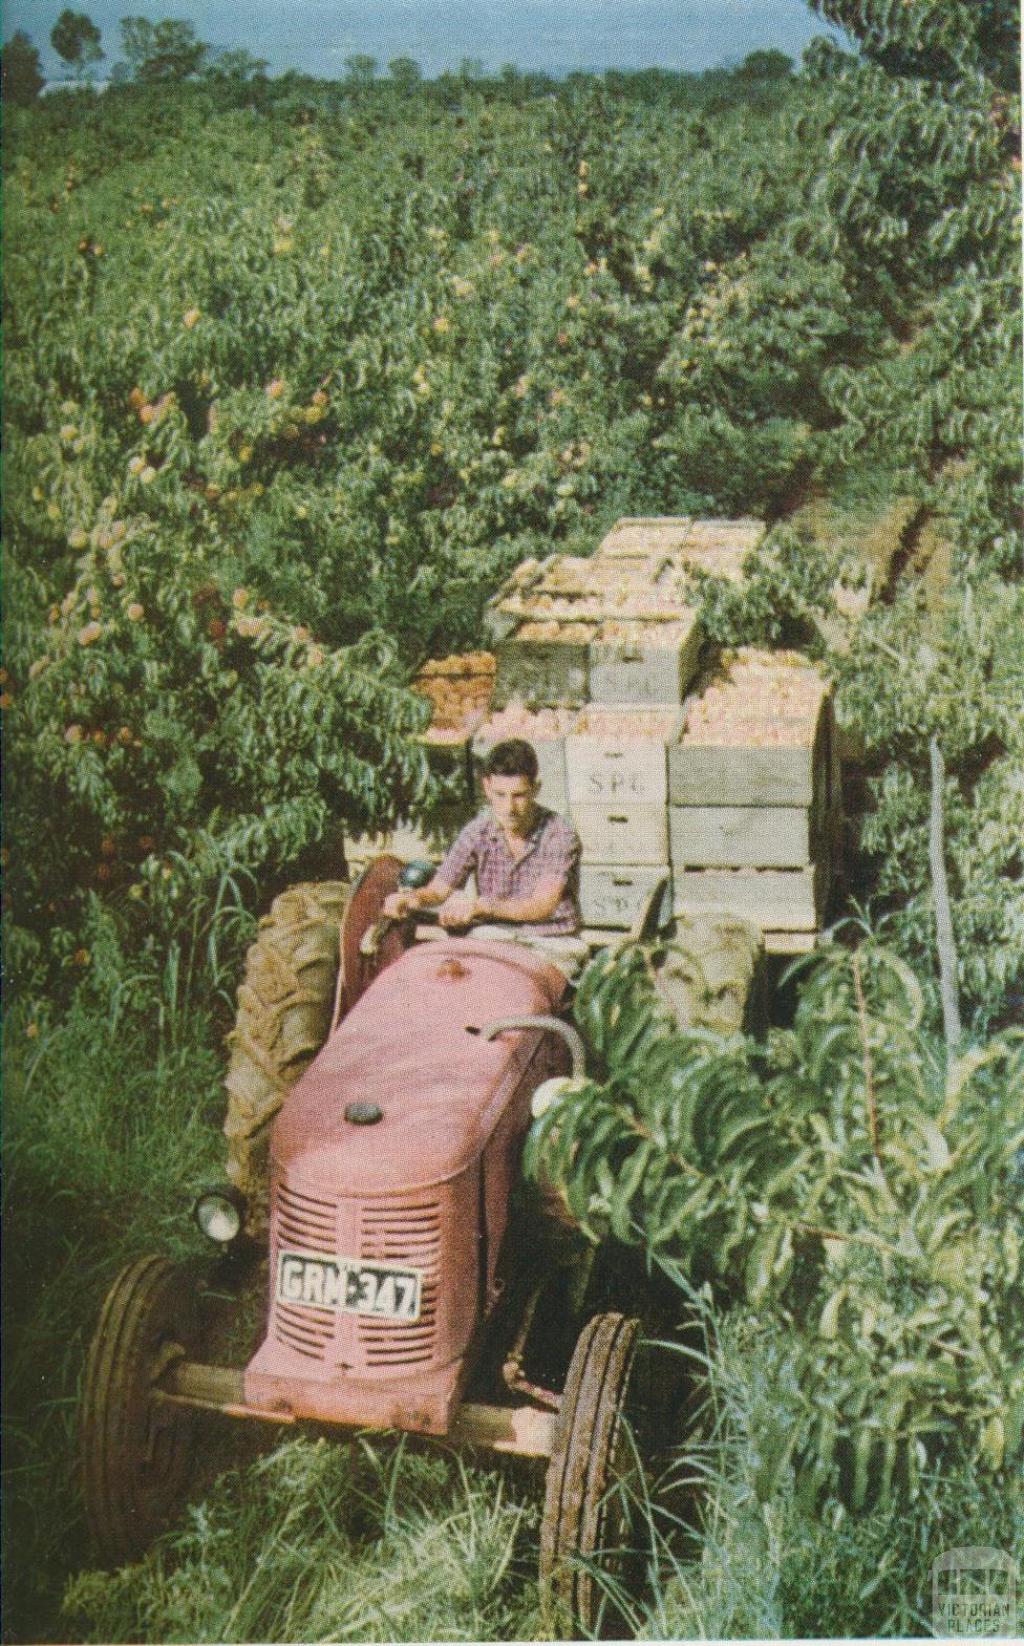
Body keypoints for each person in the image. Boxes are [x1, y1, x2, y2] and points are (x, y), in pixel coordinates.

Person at [381, 737, 589, 977]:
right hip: (492, 937)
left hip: (552, 942)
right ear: (487, 788)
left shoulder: (560, 834)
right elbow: (439, 889)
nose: (509, 808)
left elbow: (542, 906)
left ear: (536, 789)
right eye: (500, 795)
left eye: (519, 795)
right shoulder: (477, 831)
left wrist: (480, 906)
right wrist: (412, 899)